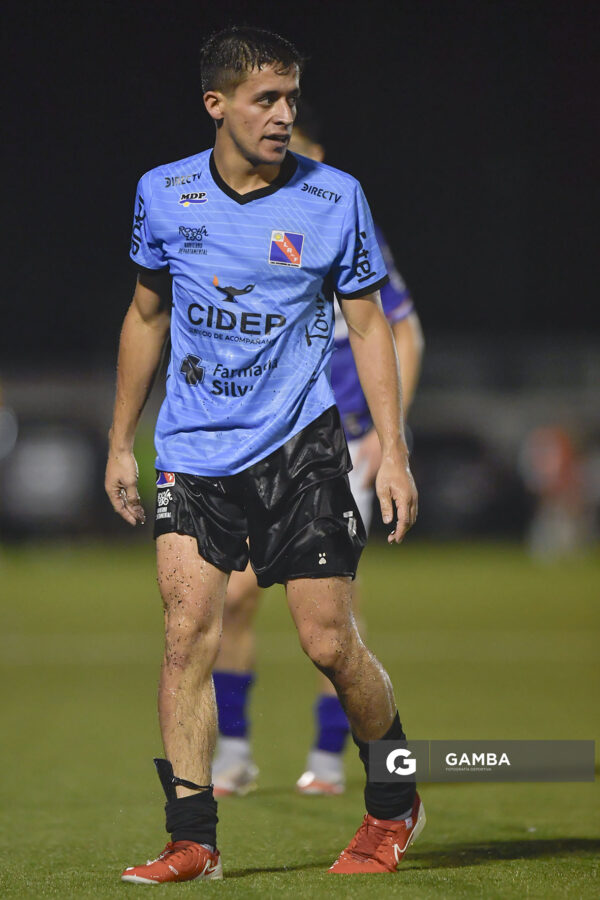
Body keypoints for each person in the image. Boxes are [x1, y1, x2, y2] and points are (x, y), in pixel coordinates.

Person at [105, 26, 424, 883]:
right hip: (191, 451)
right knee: (186, 637)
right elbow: (145, 317)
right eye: (266, 99)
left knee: (329, 644)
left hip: (301, 446)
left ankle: (395, 798)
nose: (284, 115)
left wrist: (391, 451)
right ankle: (193, 840)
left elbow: (369, 325)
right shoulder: (163, 194)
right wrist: (119, 442)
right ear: (218, 105)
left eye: (291, 98)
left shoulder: (334, 198)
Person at [212, 107, 424, 798]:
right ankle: (234, 753)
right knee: (237, 596)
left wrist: (385, 440)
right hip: (263, 442)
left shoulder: (342, 225)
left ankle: (331, 759)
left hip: (341, 445)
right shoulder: (246, 228)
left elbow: (402, 333)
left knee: (332, 613)